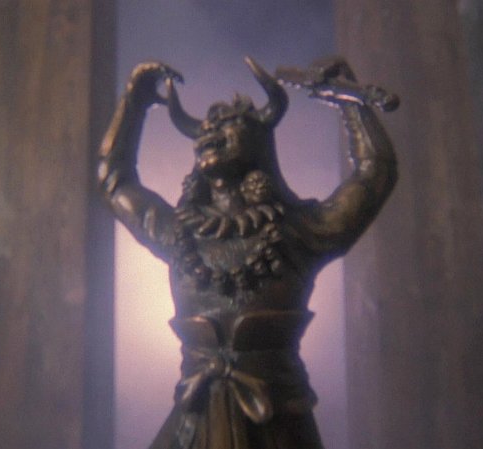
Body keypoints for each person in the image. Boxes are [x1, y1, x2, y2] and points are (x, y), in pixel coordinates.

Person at [97, 56, 397, 449]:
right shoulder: (178, 233)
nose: (210, 131)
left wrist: (348, 97)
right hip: (194, 420)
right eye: (207, 129)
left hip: (278, 421)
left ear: (259, 140)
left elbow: (374, 174)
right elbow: (115, 181)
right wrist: (133, 103)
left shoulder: (299, 229)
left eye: (228, 124)